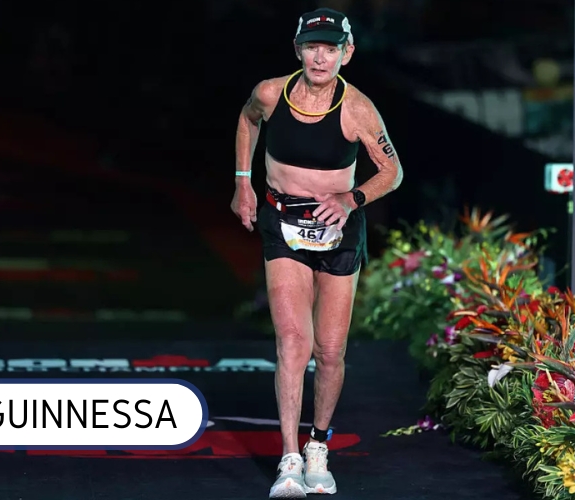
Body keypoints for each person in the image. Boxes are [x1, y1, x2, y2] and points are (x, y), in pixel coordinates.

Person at [230, 8, 403, 498]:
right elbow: (247, 120)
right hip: (282, 223)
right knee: (292, 341)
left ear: (347, 53)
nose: (320, 58)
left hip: (337, 230)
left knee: (329, 351)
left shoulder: (358, 109)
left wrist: (352, 198)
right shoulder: (270, 93)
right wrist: (243, 182)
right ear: (298, 50)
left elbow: (392, 172)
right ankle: (288, 458)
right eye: (312, 47)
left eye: (331, 48)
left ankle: (317, 445)